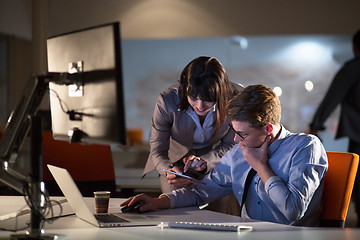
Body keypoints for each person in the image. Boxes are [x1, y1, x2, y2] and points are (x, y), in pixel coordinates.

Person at [124, 84, 328, 226]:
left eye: (242, 134)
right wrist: (158, 202)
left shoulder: (305, 147)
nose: (236, 140)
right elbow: (200, 192)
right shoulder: (239, 153)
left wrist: (261, 167)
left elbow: (292, 210)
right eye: (234, 132)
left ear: (267, 129)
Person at [142, 56, 243, 213]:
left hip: (217, 160)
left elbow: (231, 144)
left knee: (218, 218)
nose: (200, 106)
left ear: (221, 91)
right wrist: (168, 170)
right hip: (175, 160)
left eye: (209, 100)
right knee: (175, 214)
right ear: (185, 86)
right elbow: (157, 150)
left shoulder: (236, 98)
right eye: (193, 98)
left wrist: (204, 161)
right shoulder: (167, 100)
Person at [308, 29, 360, 226]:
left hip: (358, 137)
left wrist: (315, 126)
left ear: (355, 48)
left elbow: (332, 98)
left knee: (358, 186)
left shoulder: (353, 68)